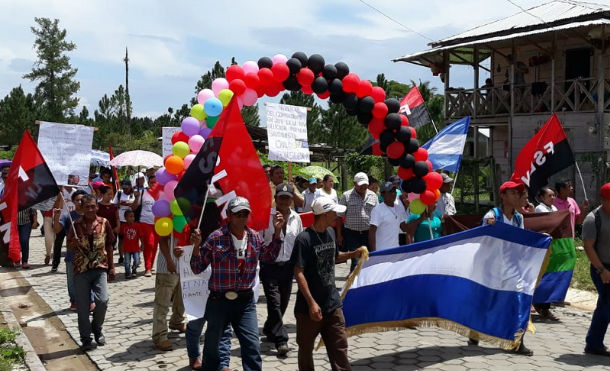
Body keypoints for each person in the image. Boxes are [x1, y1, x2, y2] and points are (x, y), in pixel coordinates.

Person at [190, 196, 285, 371]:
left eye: (244, 214)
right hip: (219, 302)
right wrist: (196, 247)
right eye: (237, 214)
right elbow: (197, 268)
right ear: (228, 215)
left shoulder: (255, 237)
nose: (241, 218)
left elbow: (269, 256)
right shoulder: (215, 238)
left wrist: (277, 233)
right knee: (212, 347)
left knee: (252, 346)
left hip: (245, 303)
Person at [291, 197, 365, 371]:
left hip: (332, 303)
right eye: (334, 212)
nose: (337, 216)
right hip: (309, 308)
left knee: (339, 347)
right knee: (306, 349)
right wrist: (311, 303)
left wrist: (353, 254)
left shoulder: (331, 232)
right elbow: (298, 272)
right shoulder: (304, 239)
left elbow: (334, 257)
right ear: (324, 214)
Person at [469, 180, 532, 356]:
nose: (517, 196)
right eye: (512, 193)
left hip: (512, 269)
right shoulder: (492, 215)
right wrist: (489, 225)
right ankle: (474, 332)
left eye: (517, 193)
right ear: (503, 196)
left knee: (517, 304)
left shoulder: (519, 218)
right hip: (491, 269)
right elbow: (483, 237)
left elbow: (521, 240)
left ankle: (517, 342)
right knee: (486, 303)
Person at [66, 194, 115, 351]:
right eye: (87, 206)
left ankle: (97, 328)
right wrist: (73, 244)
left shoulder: (104, 223)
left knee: (102, 301)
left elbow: (109, 246)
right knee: (83, 307)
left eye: (93, 206)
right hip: (81, 271)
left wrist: (112, 267)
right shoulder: (76, 225)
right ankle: (86, 338)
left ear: (97, 206)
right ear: (81, 207)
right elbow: (69, 247)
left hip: (100, 268)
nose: (90, 209)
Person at [261, 183, 304, 355]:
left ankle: (269, 328)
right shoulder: (266, 217)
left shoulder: (296, 218)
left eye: (288, 198)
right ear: (276, 199)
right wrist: (276, 232)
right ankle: (281, 340)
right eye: (282, 198)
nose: (285, 201)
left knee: (283, 303)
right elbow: (259, 242)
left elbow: (299, 242)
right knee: (274, 302)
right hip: (269, 266)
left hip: (288, 267)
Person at [582, 183, 610, 356]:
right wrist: (602, 270)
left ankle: (593, 343)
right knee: (606, 305)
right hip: (602, 267)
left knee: (605, 305)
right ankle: (593, 344)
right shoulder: (593, 219)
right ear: (603, 200)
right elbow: (588, 247)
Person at [337, 172, 378, 272]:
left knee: (368, 259)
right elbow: (338, 217)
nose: (363, 187)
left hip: (368, 234)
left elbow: (378, 215)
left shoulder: (373, 196)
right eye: (361, 185)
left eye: (365, 184)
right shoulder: (346, 196)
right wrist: (339, 235)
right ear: (354, 183)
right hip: (352, 234)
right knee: (356, 261)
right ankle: (354, 285)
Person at [369, 182, 408, 252]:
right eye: (390, 192)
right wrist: (373, 253)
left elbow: (404, 228)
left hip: (396, 250)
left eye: (394, 191)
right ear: (382, 194)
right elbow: (372, 232)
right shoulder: (377, 210)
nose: (393, 193)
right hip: (382, 251)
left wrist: (420, 218)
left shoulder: (399, 208)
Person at [136, 175, 160, 277]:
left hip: (159, 223)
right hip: (145, 222)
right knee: (149, 244)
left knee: (155, 245)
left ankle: (151, 263)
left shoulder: (162, 193)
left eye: (155, 182)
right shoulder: (143, 193)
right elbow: (135, 206)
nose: (153, 184)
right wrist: (136, 197)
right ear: (148, 183)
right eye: (151, 182)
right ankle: (148, 268)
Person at [114, 179, 137, 264]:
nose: (125, 190)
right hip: (121, 219)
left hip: (131, 220)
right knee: (121, 239)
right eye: (123, 188)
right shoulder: (119, 193)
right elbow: (114, 204)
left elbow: (135, 205)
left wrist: (128, 203)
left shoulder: (133, 194)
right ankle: (121, 256)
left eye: (126, 188)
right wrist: (119, 204)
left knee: (132, 238)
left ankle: (133, 255)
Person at [120, 210, 141, 279]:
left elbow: (141, 236)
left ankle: (134, 269)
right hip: (126, 248)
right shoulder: (123, 226)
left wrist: (142, 244)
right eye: (130, 216)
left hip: (135, 248)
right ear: (125, 218)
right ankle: (128, 272)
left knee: (137, 260)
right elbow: (121, 239)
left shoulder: (137, 226)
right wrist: (121, 248)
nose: (132, 218)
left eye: (133, 216)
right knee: (127, 262)